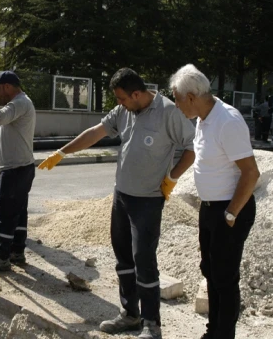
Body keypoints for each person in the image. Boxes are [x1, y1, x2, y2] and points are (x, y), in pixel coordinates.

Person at [38, 68, 195, 339]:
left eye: (122, 98)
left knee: (144, 259)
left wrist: (172, 178)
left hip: (148, 200)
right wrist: (63, 151)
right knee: (123, 256)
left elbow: (192, 150)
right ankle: (130, 314)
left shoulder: (168, 112)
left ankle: (151, 323)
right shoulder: (124, 111)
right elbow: (96, 132)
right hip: (121, 196)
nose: (119, 104)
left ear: (136, 94)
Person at [169, 64, 260, 339]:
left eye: (177, 100)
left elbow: (251, 172)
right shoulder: (203, 119)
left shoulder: (227, 121)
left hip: (230, 209)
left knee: (225, 279)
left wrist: (231, 214)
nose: (177, 106)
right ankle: (213, 332)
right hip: (210, 208)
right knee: (210, 272)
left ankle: (223, 335)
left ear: (192, 97)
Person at [0, 71, 36, 272]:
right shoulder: (21, 103)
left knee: (7, 213)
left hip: (16, 169)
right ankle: (17, 251)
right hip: (21, 167)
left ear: (8, 86)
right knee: (19, 213)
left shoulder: (19, 103)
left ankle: (2, 257)